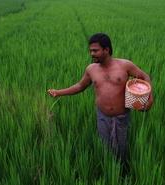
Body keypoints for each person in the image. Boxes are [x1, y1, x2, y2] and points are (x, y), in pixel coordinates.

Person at [47, 33, 153, 173]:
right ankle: (108, 173)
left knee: (121, 149)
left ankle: (123, 175)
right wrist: (58, 92)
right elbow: (80, 86)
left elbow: (144, 76)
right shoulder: (91, 69)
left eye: (95, 50)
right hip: (102, 116)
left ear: (106, 50)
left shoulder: (125, 65)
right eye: (90, 50)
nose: (92, 54)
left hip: (121, 117)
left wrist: (149, 99)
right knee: (105, 148)